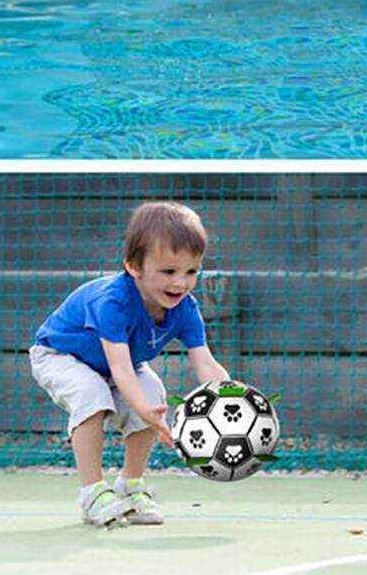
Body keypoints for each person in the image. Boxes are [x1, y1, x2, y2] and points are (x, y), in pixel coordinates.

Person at [29, 201, 229, 527]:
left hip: (111, 366)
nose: (180, 282)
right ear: (134, 267)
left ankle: (130, 485)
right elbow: (120, 368)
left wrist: (231, 396)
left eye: (191, 271)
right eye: (168, 272)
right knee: (92, 393)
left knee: (152, 393)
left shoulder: (186, 308)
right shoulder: (113, 300)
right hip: (59, 356)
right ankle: (92, 493)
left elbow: (204, 361)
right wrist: (143, 411)